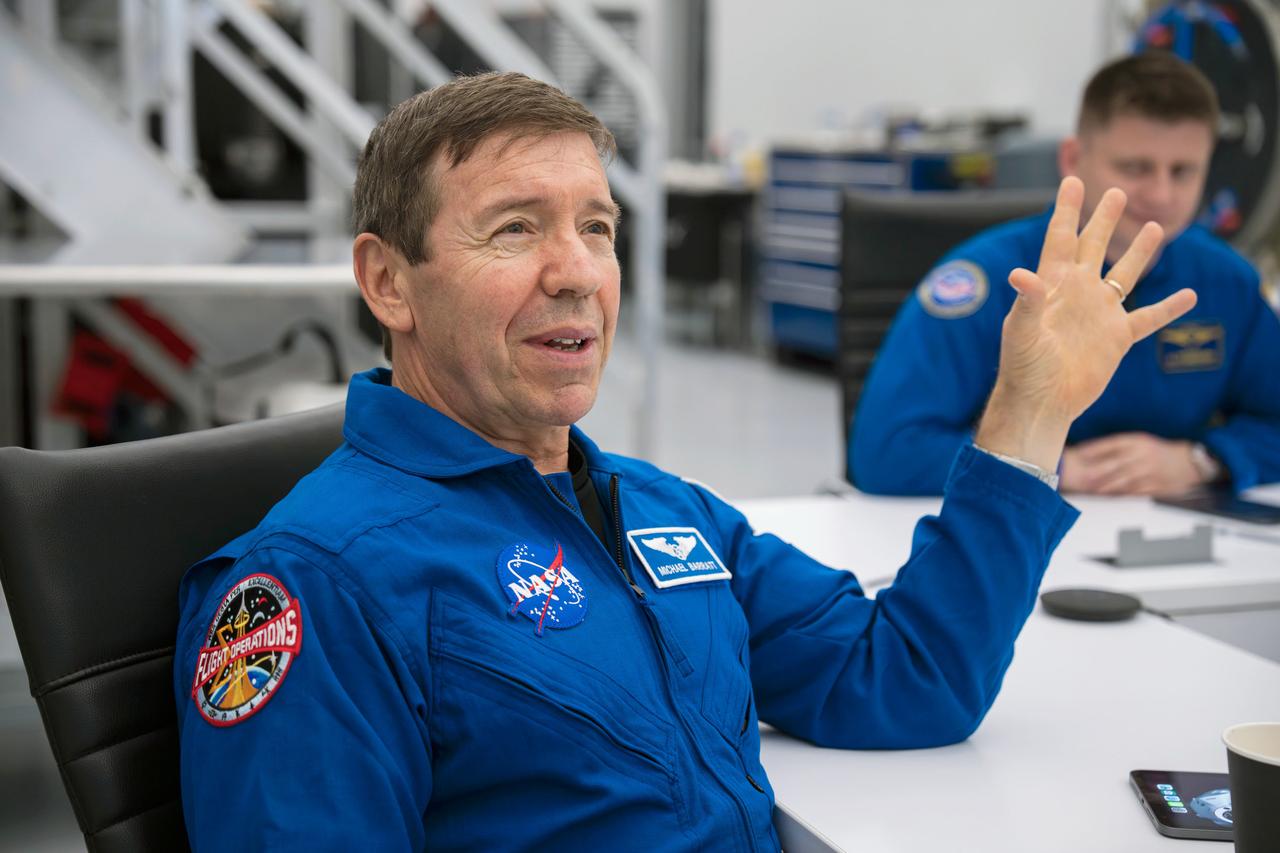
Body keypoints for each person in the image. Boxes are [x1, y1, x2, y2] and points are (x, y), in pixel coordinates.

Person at [173, 72, 1194, 851]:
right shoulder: (317, 584)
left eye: (596, 228)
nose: (575, 272)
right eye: (514, 229)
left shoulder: (661, 513)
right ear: (388, 283)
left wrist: (1024, 412)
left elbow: (904, 680)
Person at [849, 52, 1280, 497]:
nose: (1161, 193)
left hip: (1166, 544)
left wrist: (1202, 460)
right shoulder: (988, 279)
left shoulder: (1225, 281)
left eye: (1183, 171)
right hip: (1008, 535)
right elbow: (886, 452)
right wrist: (1050, 468)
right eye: (1136, 168)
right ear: (1073, 159)